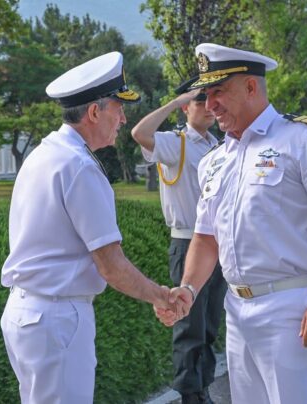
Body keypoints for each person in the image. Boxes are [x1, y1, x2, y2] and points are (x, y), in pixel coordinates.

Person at [156, 43, 307, 403]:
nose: (210, 104)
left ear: (251, 87)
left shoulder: (301, 139)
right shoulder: (215, 159)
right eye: (206, 95)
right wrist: (188, 289)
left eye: (219, 92)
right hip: (237, 310)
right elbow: (206, 238)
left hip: (292, 308)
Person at [0, 51, 179, 404]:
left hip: (26, 314)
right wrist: (161, 296)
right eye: (119, 108)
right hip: (57, 319)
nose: (123, 119)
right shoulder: (79, 166)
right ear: (95, 112)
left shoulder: (44, 154)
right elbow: (111, 265)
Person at [131, 80, 227, 404]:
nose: (209, 106)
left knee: (209, 327)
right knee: (189, 328)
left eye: (211, 99)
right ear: (186, 107)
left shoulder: (218, 145)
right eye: (200, 100)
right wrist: (175, 102)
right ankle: (190, 395)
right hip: (188, 245)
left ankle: (203, 390)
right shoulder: (177, 143)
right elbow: (140, 133)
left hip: (217, 246)